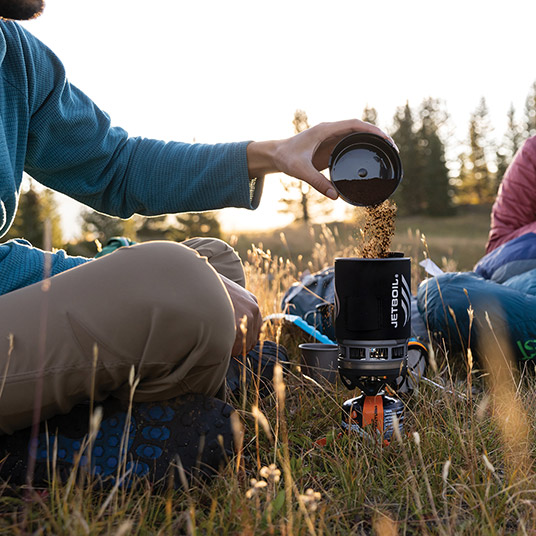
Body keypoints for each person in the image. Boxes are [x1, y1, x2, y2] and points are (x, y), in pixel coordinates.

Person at [0, 1, 394, 487]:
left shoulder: (13, 54)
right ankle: (46, 445)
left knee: (213, 260)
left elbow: (116, 166)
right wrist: (132, 272)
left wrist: (274, 154)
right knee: (185, 284)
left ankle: (101, 415)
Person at [417, 135, 536, 365]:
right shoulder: (534, 152)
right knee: (445, 295)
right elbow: (500, 242)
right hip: (519, 267)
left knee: (444, 296)